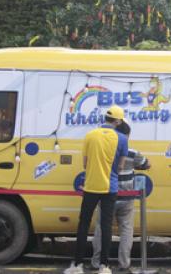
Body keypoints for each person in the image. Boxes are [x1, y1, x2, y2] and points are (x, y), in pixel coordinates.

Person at [65, 106, 129, 274]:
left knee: (84, 224)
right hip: (110, 187)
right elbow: (121, 166)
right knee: (106, 226)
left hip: (91, 186)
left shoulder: (90, 135)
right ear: (118, 121)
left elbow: (85, 164)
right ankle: (104, 266)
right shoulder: (122, 139)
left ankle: (78, 264)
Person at [91, 121, 151, 272]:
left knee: (102, 229)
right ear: (127, 136)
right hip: (126, 197)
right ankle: (124, 264)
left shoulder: (103, 150)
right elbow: (146, 164)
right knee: (126, 230)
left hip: (106, 196)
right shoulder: (132, 153)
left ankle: (97, 262)